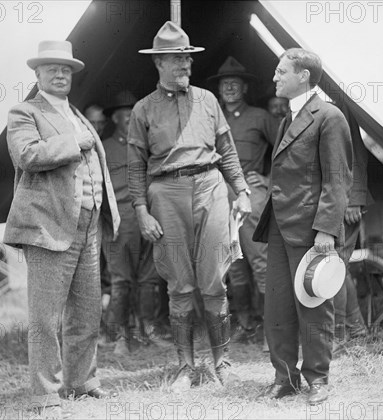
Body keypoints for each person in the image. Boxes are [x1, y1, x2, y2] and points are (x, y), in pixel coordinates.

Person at [127, 21, 251, 392]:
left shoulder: (208, 100)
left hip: (210, 188)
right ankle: (185, 367)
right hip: (165, 194)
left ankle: (221, 362)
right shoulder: (142, 110)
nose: (185, 66)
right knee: (180, 284)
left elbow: (226, 150)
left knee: (214, 279)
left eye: (188, 59)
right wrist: (141, 210)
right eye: (176, 60)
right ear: (159, 64)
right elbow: (135, 166)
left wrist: (241, 189)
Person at [3, 40, 120, 413]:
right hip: (48, 226)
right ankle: (44, 394)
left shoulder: (78, 114)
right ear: (36, 75)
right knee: (45, 317)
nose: (59, 74)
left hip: (87, 224)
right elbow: (27, 155)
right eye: (51, 68)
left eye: (66, 69)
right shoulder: (24, 112)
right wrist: (74, 142)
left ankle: (82, 382)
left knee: (87, 311)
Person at [253, 48, 352, 404]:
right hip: (280, 226)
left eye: (281, 72)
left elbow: (338, 178)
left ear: (304, 76)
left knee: (313, 304)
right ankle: (285, 377)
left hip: (311, 228)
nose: (275, 78)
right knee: (277, 305)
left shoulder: (329, 116)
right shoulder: (287, 118)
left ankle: (317, 379)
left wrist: (327, 228)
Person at [207, 57, 277, 347]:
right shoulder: (211, 116)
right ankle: (245, 323)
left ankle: (269, 327)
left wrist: (269, 179)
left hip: (251, 195)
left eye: (235, 83)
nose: (230, 88)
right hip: (218, 195)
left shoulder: (261, 116)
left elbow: (287, 147)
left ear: (245, 87)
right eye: (225, 84)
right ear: (219, 89)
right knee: (231, 265)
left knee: (261, 262)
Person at [101, 90, 170, 355]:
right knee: (121, 280)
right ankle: (119, 337)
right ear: (116, 119)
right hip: (121, 220)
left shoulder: (149, 145)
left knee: (149, 279)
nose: (132, 120)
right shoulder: (104, 147)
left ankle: (148, 331)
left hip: (150, 217)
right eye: (127, 115)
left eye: (135, 115)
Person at [332, 100, 370, 353]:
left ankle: (342, 333)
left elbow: (356, 151)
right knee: (336, 268)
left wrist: (354, 198)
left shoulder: (338, 103)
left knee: (333, 269)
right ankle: (355, 328)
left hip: (344, 203)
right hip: (326, 202)